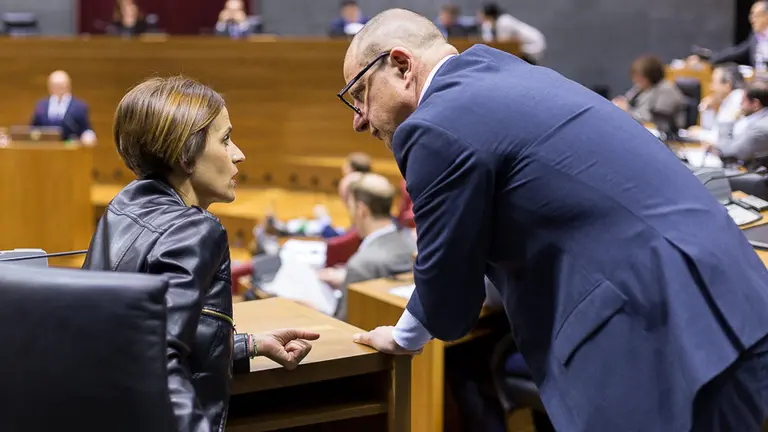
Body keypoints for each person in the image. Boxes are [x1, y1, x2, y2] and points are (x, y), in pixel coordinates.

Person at [338, 8, 768, 432]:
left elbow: (448, 304)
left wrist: (403, 337)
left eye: (359, 94)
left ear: (400, 65)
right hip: (732, 298)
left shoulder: (433, 126)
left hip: (661, 341)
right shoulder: (505, 72)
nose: (358, 120)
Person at [82, 76, 320, 431]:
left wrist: (248, 346)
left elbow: (133, 338)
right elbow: (155, 364)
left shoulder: (124, 205)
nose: (239, 153)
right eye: (225, 140)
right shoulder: (196, 229)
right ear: (185, 154)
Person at [612, 55, 686, 129]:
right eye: (634, 77)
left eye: (640, 77)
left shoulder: (666, 90)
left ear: (652, 75)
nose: (635, 81)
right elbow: (627, 102)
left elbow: (652, 121)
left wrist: (627, 111)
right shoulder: (639, 88)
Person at [688, 1, 768, 69]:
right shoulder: (755, 38)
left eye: (756, 16)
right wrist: (706, 58)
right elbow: (735, 53)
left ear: (766, 16)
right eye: (751, 15)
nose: (752, 20)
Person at [707, 79, 768, 167]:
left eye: (743, 100)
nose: (740, 104)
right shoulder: (757, 118)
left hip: (750, 174)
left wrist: (729, 121)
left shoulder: (759, 128)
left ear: (755, 104)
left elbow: (730, 153)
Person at [30, 70, 96, 145]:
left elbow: (86, 128)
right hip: (46, 147)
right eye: (54, 85)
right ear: (49, 87)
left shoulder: (79, 106)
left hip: (70, 147)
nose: (58, 88)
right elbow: (33, 127)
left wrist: (88, 136)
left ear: (68, 85)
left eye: (61, 85)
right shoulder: (42, 105)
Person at [687, 63, 746, 144]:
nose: (711, 87)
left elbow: (723, 138)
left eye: (714, 82)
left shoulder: (738, 100)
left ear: (727, 85)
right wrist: (708, 110)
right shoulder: (729, 99)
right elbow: (711, 130)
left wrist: (700, 134)